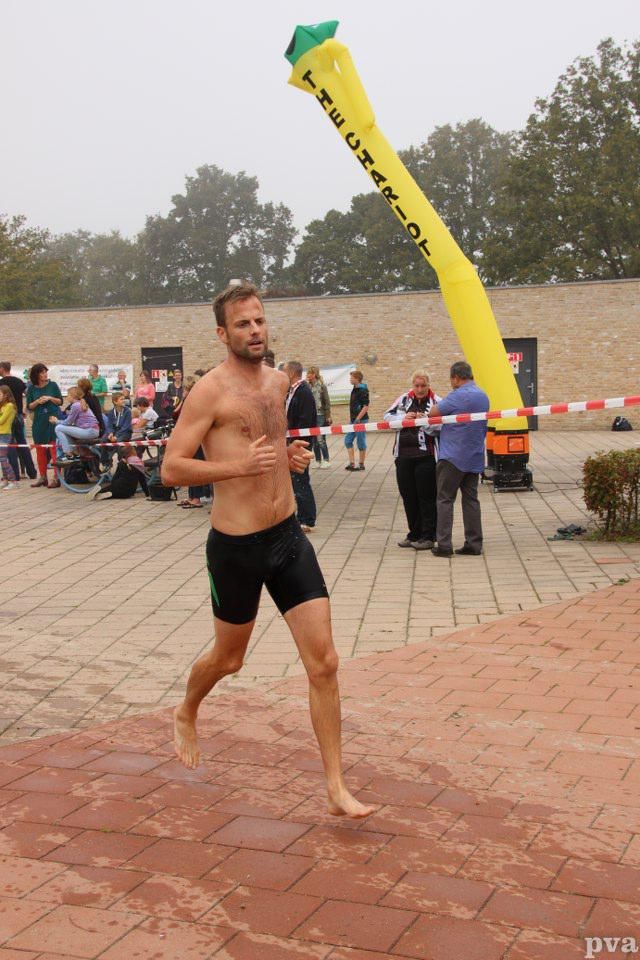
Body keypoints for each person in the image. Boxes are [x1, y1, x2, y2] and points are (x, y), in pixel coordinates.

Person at [161, 281, 374, 819]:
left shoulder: (279, 382)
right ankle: (187, 710)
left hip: (287, 537)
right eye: (242, 324)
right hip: (234, 548)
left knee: (323, 662)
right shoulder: (209, 391)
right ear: (222, 333)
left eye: (259, 321)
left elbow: (267, 448)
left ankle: (335, 786)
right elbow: (171, 469)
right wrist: (237, 468)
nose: (254, 330)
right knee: (229, 659)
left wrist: (290, 456)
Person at [428, 361, 490, 557]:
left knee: (445, 499)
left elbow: (433, 413)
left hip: (453, 456)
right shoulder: (482, 395)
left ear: (455, 377)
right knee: (471, 500)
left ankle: (444, 545)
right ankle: (474, 543)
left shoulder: (457, 395)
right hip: (475, 455)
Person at [384, 371, 441, 550]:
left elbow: (441, 426)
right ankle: (414, 533)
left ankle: (429, 535)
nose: (419, 389)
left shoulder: (437, 401)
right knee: (408, 496)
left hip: (426, 457)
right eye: (416, 385)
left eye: (423, 385)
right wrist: (403, 419)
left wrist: (424, 421)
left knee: (426, 497)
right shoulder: (403, 399)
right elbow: (387, 417)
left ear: (428, 385)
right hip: (403, 456)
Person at [284, 361, 318, 533]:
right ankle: (301, 517)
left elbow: (305, 420)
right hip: (292, 442)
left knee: (301, 481)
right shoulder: (292, 391)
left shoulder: (303, 392)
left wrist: (298, 443)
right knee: (296, 482)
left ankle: (307, 519)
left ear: (291, 373)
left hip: (300, 444)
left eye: (284, 372)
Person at [25, 363, 63, 488]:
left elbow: (60, 401)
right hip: (39, 421)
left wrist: (50, 398)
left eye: (45, 371)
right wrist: (37, 401)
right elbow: (29, 406)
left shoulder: (53, 385)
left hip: (52, 419)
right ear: (36, 375)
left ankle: (57, 477)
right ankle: (42, 477)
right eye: (42, 372)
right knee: (40, 450)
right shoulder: (31, 389)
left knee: (54, 449)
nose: (45, 374)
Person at [0, 361, 36, 482]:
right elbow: (28, 393)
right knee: (23, 444)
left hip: (8, 416)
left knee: (10, 445)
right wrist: (23, 408)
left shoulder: (1, 383)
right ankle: (32, 472)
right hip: (19, 415)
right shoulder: (18, 381)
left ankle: (14, 474)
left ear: (2, 369)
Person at [55, 384, 101, 461]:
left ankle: (68, 453)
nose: (66, 397)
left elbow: (68, 422)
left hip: (89, 431)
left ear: (73, 396)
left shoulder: (75, 405)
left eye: (68, 395)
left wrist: (56, 421)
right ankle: (75, 452)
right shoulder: (80, 403)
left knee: (58, 428)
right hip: (93, 430)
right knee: (64, 430)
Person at [307, 365, 332, 468]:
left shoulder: (322, 386)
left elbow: (327, 402)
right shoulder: (307, 386)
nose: (307, 375)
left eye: (309, 373)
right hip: (311, 415)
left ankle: (326, 460)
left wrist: (328, 415)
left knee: (320, 439)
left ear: (314, 375)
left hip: (321, 415)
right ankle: (318, 460)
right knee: (314, 440)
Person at [344, 369, 369, 471]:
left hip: (361, 420)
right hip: (353, 420)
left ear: (357, 379)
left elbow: (366, 406)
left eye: (351, 377)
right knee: (348, 440)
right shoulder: (354, 389)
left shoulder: (363, 390)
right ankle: (352, 463)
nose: (350, 379)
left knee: (360, 442)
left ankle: (361, 464)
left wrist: (358, 418)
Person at [0, 385, 18, 490]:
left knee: (3, 459)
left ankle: (13, 480)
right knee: (1, 458)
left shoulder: (10, 406)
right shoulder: (2, 406)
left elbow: (1, 421)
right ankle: (5, 480)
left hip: (5, 434)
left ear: (6, 395)